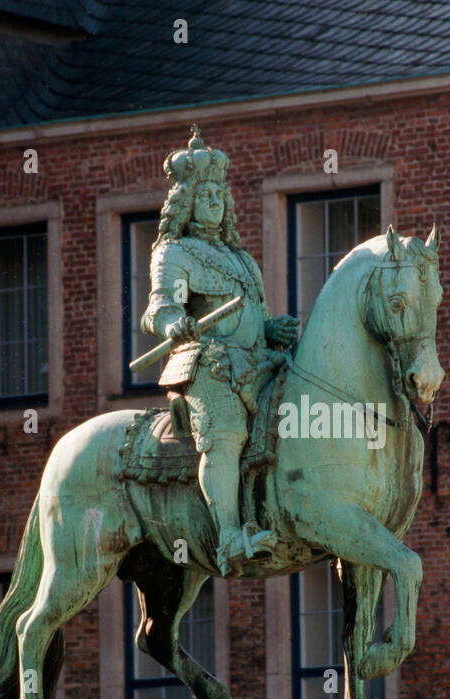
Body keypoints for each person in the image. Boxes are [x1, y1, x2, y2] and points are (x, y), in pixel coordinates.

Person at [142, 125, 299, 576]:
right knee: (226, 434)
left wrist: (274, 329)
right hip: (205, 365)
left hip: (257, 363)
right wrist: (176, 322)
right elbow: (157, 308)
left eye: (219, 192)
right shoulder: (174, 252)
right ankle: (230, 537)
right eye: (205, 192)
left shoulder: (242, 259)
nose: (214, 199)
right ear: (186, 202)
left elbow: (255, 323)